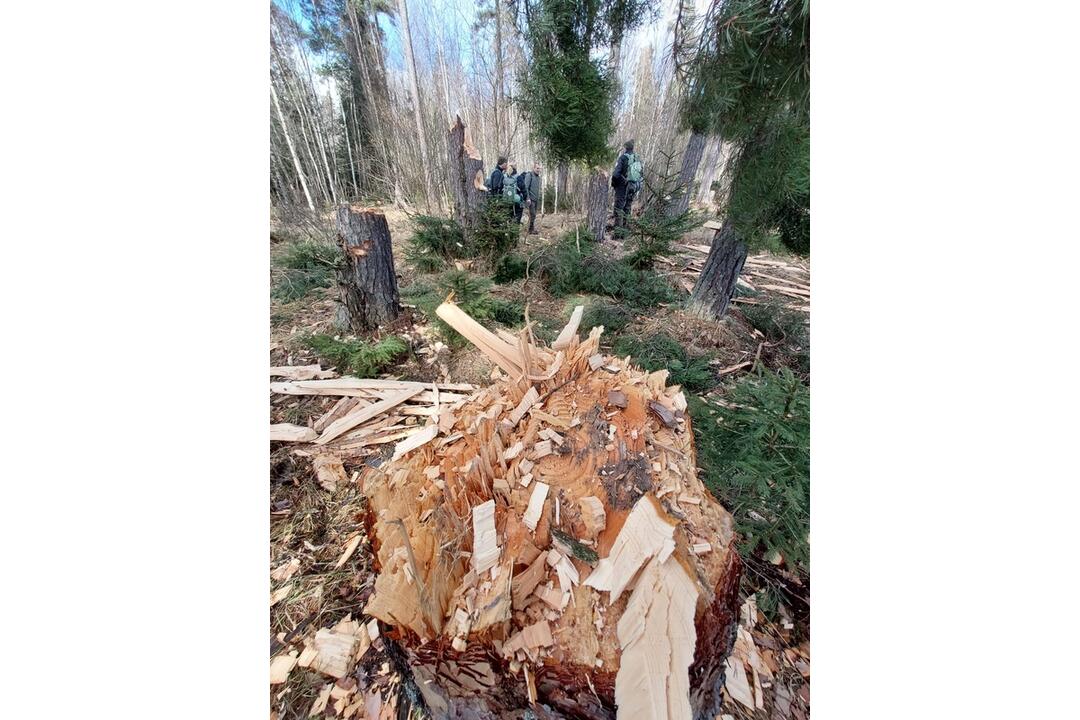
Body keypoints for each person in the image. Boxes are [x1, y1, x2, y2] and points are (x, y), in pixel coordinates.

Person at [611, 140, 643, 234]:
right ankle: (625, 232)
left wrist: (614, 184)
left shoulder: (623, 158)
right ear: (632, 148)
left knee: (618, 208)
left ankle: (617, 233)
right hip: (633, 186)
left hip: (622, 186)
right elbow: (641, 174)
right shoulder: (637, 158)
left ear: (625, 147)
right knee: (627, 208)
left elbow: (616, 174)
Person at [519, 163, 542, 234]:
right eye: (537, 168)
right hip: (530, 199)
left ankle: (531, 228)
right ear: (533, 168)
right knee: (533, 214)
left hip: (536, 199)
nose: (539, 170)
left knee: (533, 215)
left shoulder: (538, 177)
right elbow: (525, 188)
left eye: (539, 168)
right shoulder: (529, 175)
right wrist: (527, 198)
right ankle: (530, 230)